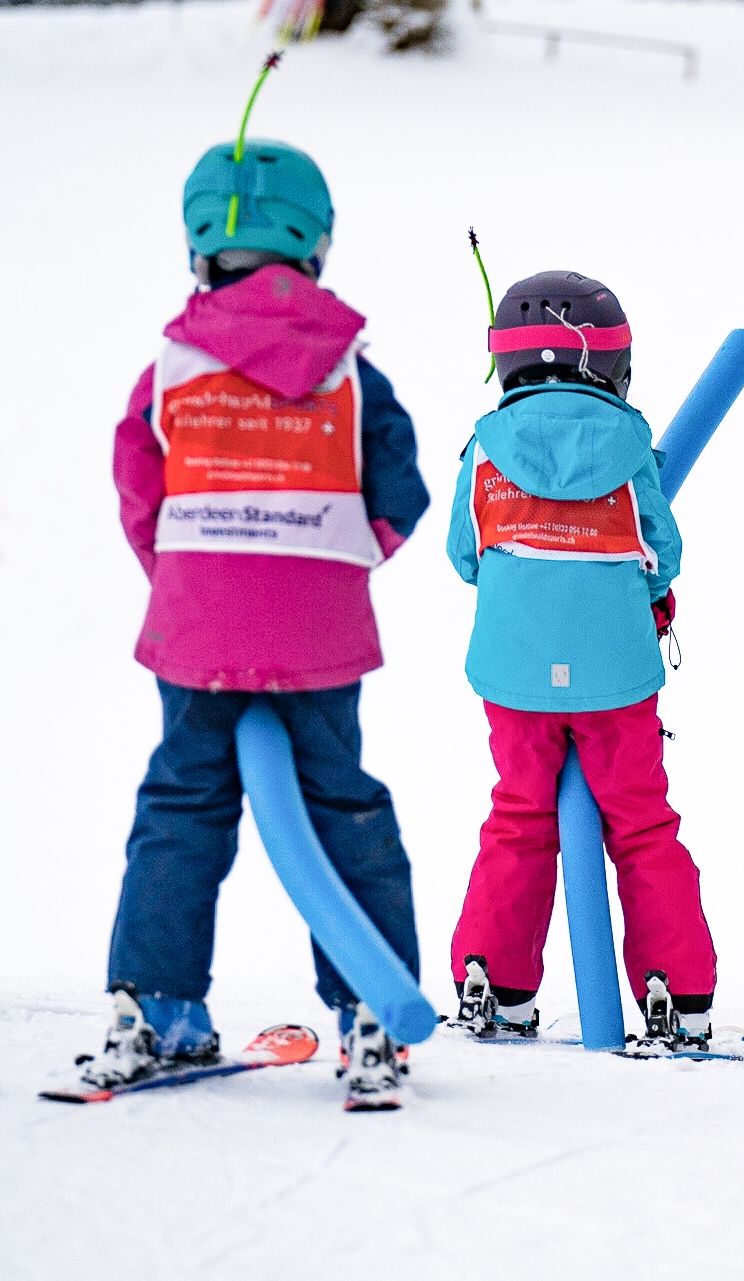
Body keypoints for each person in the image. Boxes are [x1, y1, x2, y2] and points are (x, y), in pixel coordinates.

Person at [91, 136, 430, 1106]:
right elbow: (397, 490)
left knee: (183, 809)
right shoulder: (351, 369)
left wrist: (187, 576)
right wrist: (332, 559)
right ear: (315, 244)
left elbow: (136, 486)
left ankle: (154, 1010)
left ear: (200, 245)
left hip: (197, 631)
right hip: (317, 635)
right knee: (342, 810)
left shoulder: (171, 363)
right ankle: (373, 1011)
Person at [444, 270, 721, 1052]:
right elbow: (661, 554)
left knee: (519, 818)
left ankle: (490, 981)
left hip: (515, 677)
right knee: (639, 824)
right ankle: (679, 993)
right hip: (615, 681)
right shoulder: (632, 448)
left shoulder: (485, 448)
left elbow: (464, 554)